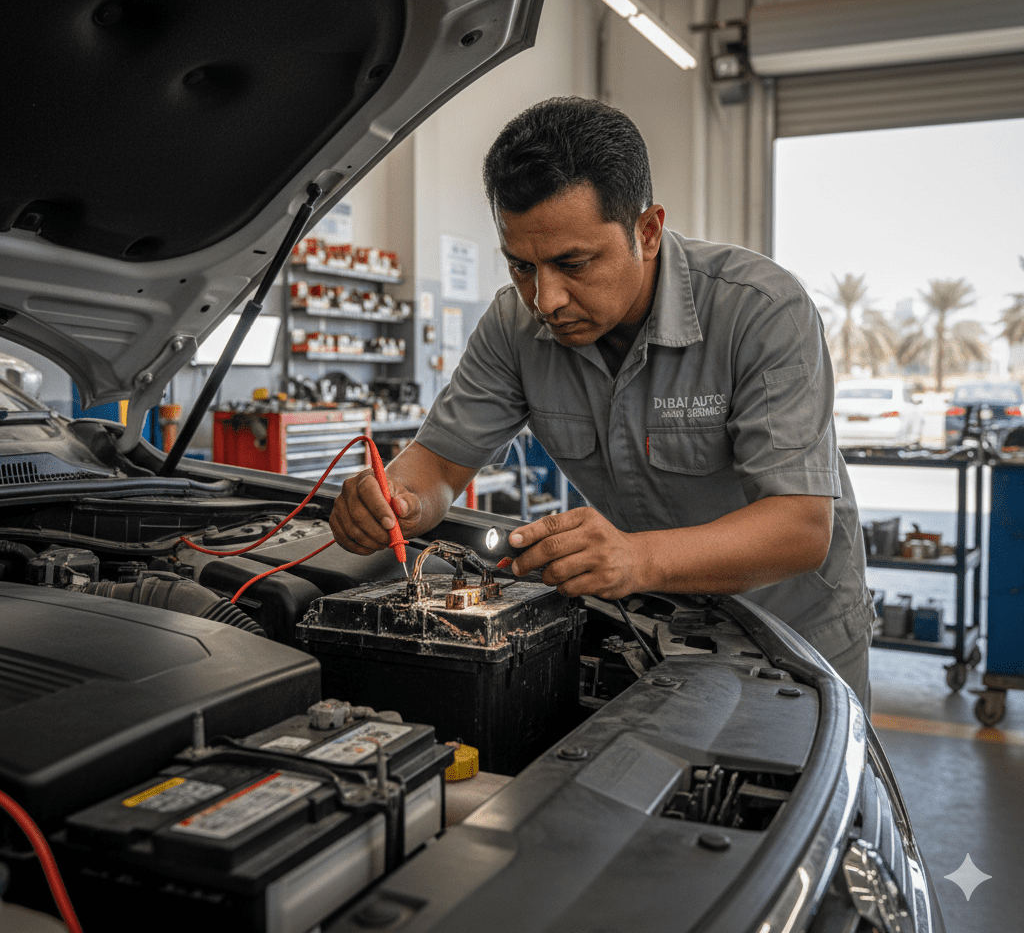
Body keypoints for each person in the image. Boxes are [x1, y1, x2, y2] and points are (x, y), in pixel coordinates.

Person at [330, 96, 873, 705]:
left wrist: (638, 558)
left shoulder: (760, 310)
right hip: (655, 624)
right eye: (521, 267)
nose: (546, 299)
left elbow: (799, 527)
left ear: (647, 231)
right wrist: (394, 500)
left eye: (573, 263)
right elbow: (438, 466)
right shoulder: (514, 327)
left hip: (794, 631)